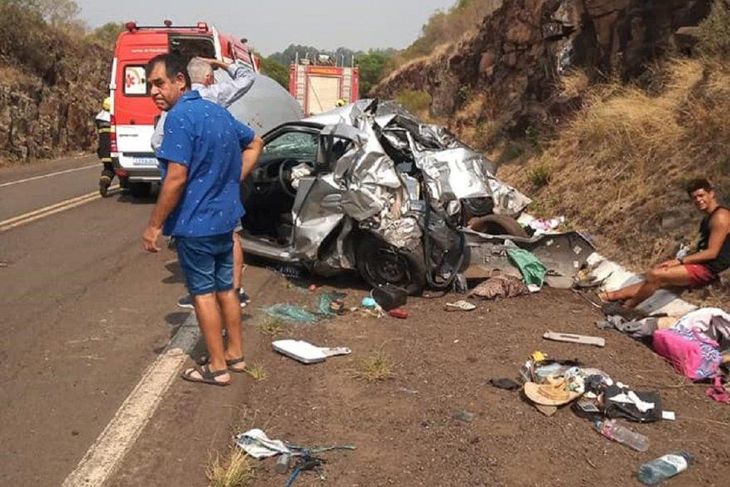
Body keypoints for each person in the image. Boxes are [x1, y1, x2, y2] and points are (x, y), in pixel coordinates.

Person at [142, 53, 263, 386]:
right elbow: (255, 141)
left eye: (159, 83)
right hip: (225, 221)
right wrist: (233, 177)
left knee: (204, 295)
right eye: (149, 85)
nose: (154, 91)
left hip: (196, 225)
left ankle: (217, 367)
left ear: (181, 81)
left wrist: (154, 225)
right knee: (227, 290)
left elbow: (176, 176)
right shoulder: (216, 111)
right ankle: (236, 356)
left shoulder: (179, 118)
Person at [150, 57, 256, 309]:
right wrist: (222, 62)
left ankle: (205, 292)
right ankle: (234, 289)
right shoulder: (215, 95)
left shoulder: (177, 112)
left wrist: (155, 224)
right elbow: (248, 78)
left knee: (203, 288)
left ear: (182, 80)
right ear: (208, 77)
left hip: (192, 190)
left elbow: (159, 144)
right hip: (219, 185)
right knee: (231, 235)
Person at [601, 178, 730, 312]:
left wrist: (679, 261)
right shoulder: (708, 217)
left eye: (701, 195)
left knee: (656, 275)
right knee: (654, 280)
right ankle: (610, 296)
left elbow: (712, 252)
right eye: (694, 197)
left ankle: (626, 309)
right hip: (702, 266)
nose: (698, 200)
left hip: (708, 270)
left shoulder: (720, 216)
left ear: (711, 194)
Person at [95, 97, 114, 197]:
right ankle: (105, 183)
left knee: (107, 167)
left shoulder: (99, 119)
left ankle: (104, 181)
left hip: (103, 149)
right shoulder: (113, 120)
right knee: (114, 169)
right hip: (113, 149)